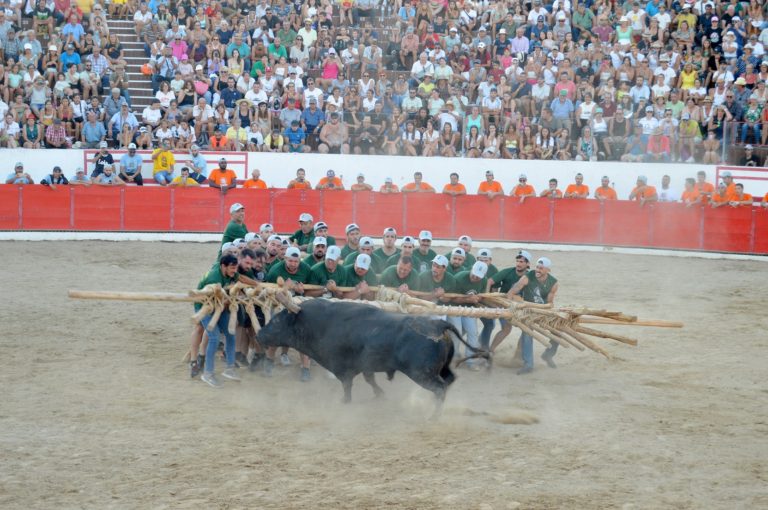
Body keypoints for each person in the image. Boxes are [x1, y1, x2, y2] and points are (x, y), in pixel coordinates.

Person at [505, 257, 559, 374]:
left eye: (541, 268)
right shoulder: (527, 277)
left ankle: (548, 355)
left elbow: (550, 303)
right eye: (537, 267)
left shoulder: (553, 283)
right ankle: (528, 364)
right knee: (527, 333)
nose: (538, 270)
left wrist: (549, 314)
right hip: (528, 311)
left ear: (548, 270)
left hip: (542, 311)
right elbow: (511, 293)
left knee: (558, 331)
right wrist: (512, 308)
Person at [195, 253, 242, 387]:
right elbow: (217, 300)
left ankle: (229, 369)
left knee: (231, 334)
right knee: (214, 337)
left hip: (220, 307)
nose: (235, 271)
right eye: (232, 268)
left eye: (235, 268)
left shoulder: (231, 273)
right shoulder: (214, 277)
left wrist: (256, 284)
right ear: (223, 266)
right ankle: (207, 373)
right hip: (205, 307)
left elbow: (240, 278)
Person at [265, 247, 312, 381]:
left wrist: (302, 291)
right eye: (290, 261)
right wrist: (287, 288)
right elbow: (270, 291)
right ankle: (269, 361)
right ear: (285, 259)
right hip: (279, 305)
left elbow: (310, 288)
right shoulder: (275, 271)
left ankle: (305, 369)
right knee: (275, 335)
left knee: (303, 336)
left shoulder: (306, 269)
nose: (293, 264)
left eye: (296, 261)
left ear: (299, 261)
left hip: (299, 305)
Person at [448, 261, 489, 370]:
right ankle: (453, 357)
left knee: (473, 332)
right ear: (471, 269)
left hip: (469, 308)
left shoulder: (484, 281)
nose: (475, 277)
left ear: (484, 276)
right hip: (454, 308)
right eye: (474, 273)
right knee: (456, 332)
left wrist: (477, 299)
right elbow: (452, 298)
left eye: (478, 276)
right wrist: (467, 299)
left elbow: (482, 296)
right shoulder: (459, 278)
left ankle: (471, 360)